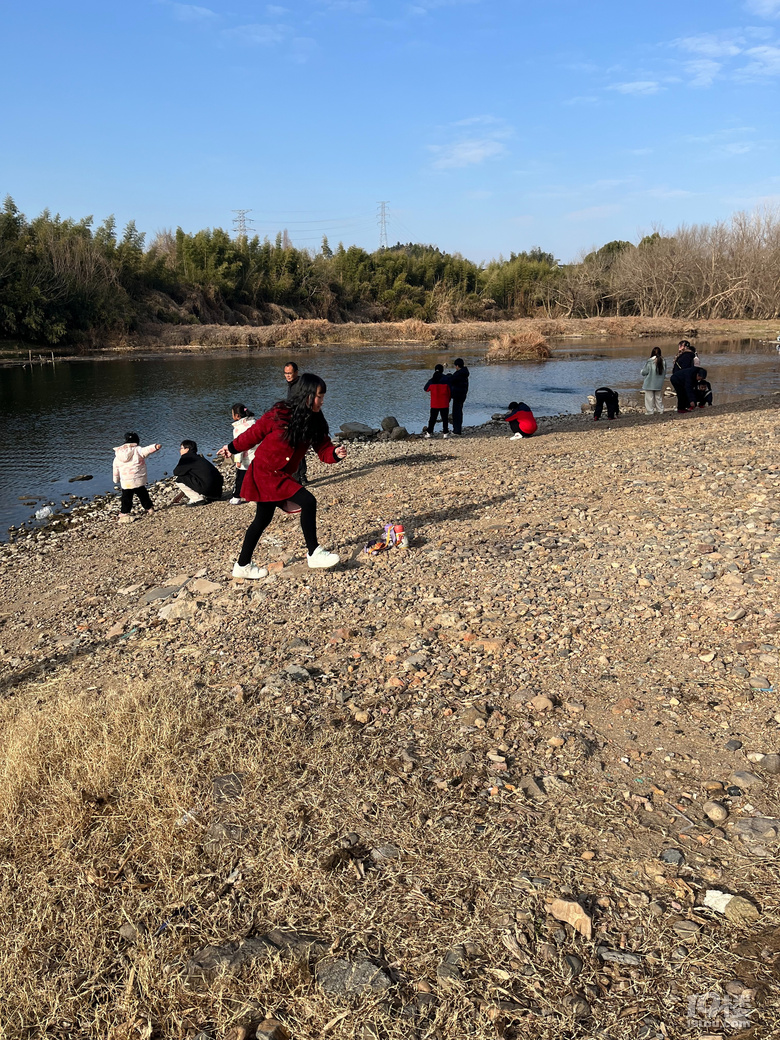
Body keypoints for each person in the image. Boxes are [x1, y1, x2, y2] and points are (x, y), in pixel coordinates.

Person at [218, 373, 347, 578]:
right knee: (308, 501)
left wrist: (335, 454)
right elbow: (253, 435)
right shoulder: (279, 413)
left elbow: (324, 450)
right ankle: (313, 553)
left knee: (262, 519)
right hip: (264, 472)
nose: (322, 401)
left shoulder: (316, 421)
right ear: (307, 395)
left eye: (323, 397)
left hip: (282, 475)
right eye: (319, 396)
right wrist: (231, 448)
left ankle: (242, 566)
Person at [112, 433, 161, 523]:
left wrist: (116, 479)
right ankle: (149, 508)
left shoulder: (118, 455)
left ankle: (124, 512)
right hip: (138, 479)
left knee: (126, 497)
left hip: (126, 481)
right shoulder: (137, 450)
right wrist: (155, 447)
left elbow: (116, 468)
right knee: (143, 494)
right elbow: (146, 450)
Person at [174, 440, 224, 506]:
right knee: (189, 475)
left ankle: (197, 499)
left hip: (208, 489)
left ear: (187, 449)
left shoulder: (187, 458)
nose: (180, 450)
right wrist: (181, 495)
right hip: (217, 492)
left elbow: (176, 472)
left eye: (181, 448)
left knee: (179, 479)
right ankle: (207, 496)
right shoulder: (199, 458)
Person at [284, 361, 307, 485]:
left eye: (290, 373)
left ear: (296, 373)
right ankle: (301, 476)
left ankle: (298, 477)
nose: (287, 376)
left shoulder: (300, 385)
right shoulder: (291, 384)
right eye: (286, 373)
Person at [229, 403, 256, 504]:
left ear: (237, 416)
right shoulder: (253, 423)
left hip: (245, 457)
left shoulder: (238, 428)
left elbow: (238, 445)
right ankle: (254, 496)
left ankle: (237, 497)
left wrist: (237, 460)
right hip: (256, 455)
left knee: (240, 477)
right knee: (254, 477)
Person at [423, 364, 451, 438]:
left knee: (432, 418)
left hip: (434, 403)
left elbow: (425, 389)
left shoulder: (432, 380)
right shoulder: (446, 379)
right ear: (442, 370)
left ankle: (429, 432)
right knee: (445, 418)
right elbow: (450, 390)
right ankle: (445, 433)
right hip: (444, 402)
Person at [671, 341, 697, 413]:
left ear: (686, 346)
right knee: (681, 392)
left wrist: (682, 375)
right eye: (679, 345)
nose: (679, 347)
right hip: (679, 376)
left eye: (681, 345)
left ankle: (684, 406)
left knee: (683, 391)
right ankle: (684, 406)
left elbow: (686, 367)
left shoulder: (687, 355)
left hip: (683, 376)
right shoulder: (683, 354)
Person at [640, 346, 667, 415]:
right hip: (659, 383)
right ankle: (660, 410)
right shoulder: (663, 361)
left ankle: (650, 411)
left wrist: (641, 371)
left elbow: (645, 372)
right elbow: (664, 372)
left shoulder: (650, 361)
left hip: (650, 382)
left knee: (649, 398)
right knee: (658, 398)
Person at [447, 358, 470, 436]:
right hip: (463, 395)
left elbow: (451, 380)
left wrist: (449, 375)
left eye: (455, 366)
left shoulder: (458, 374)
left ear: (457, 366)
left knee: (456, 413)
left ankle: (457, 430)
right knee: (459, 412)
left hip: (457, 395)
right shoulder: (465, 373)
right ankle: (458, 429)